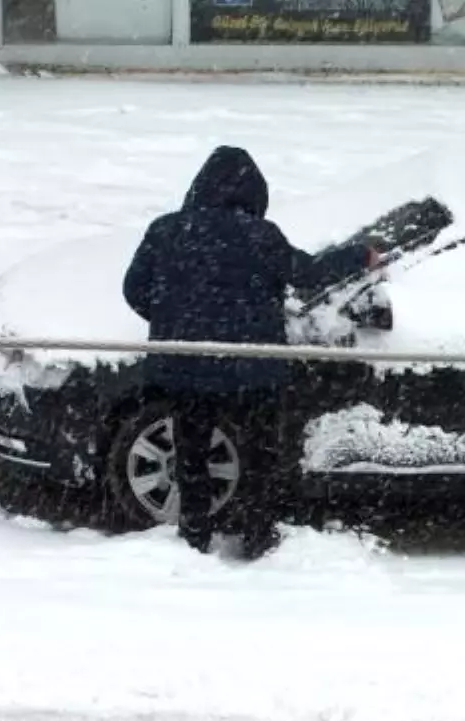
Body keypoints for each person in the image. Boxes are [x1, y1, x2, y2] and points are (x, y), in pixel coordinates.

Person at [122, 145, 377, 554]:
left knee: (190, 455)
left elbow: (133, 290)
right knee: (260, 456)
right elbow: (307, 275)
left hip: (186, 365)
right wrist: (359, 256)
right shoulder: (263, 236)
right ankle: (257, 533)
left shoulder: (166, 230)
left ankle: (195, 534)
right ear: (255, 193)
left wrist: (172, 318)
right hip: (252, 369)